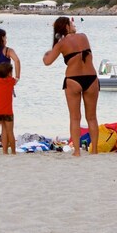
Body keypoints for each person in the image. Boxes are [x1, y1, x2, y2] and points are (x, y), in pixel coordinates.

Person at [43, 17, 99, 156]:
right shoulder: (83, 37)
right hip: (91, 78)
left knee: (75, 118)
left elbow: (47, 62)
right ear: (66, 27)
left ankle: (77, 151)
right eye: (71, 23)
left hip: (73, 79)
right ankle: (95, 150)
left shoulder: (61, 44)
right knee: (92, 117)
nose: (74, 25)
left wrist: (47, 54)